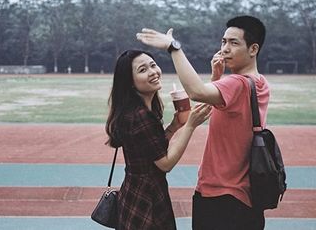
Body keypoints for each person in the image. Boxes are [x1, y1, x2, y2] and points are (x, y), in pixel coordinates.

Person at [136, 15, 268, 230]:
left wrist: (174, 48)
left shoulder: (237, 83)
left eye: (234, 43)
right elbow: (220, 110)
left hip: (221, 195)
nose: (225, 48)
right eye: (223, 41)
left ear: (253, 49)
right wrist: (217, 78)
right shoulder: (258, 83)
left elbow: (197, 92)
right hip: (246, 195)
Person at [106, 49, 211, 229]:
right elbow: (165, 163)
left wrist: (173, 127)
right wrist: (191, 125)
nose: (153, 72)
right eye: (142, 70)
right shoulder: (140, 116)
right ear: (130, 82)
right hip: (146, 197)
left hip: (135, 192)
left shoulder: (138, 110)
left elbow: (151, 149)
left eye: (153, 65)